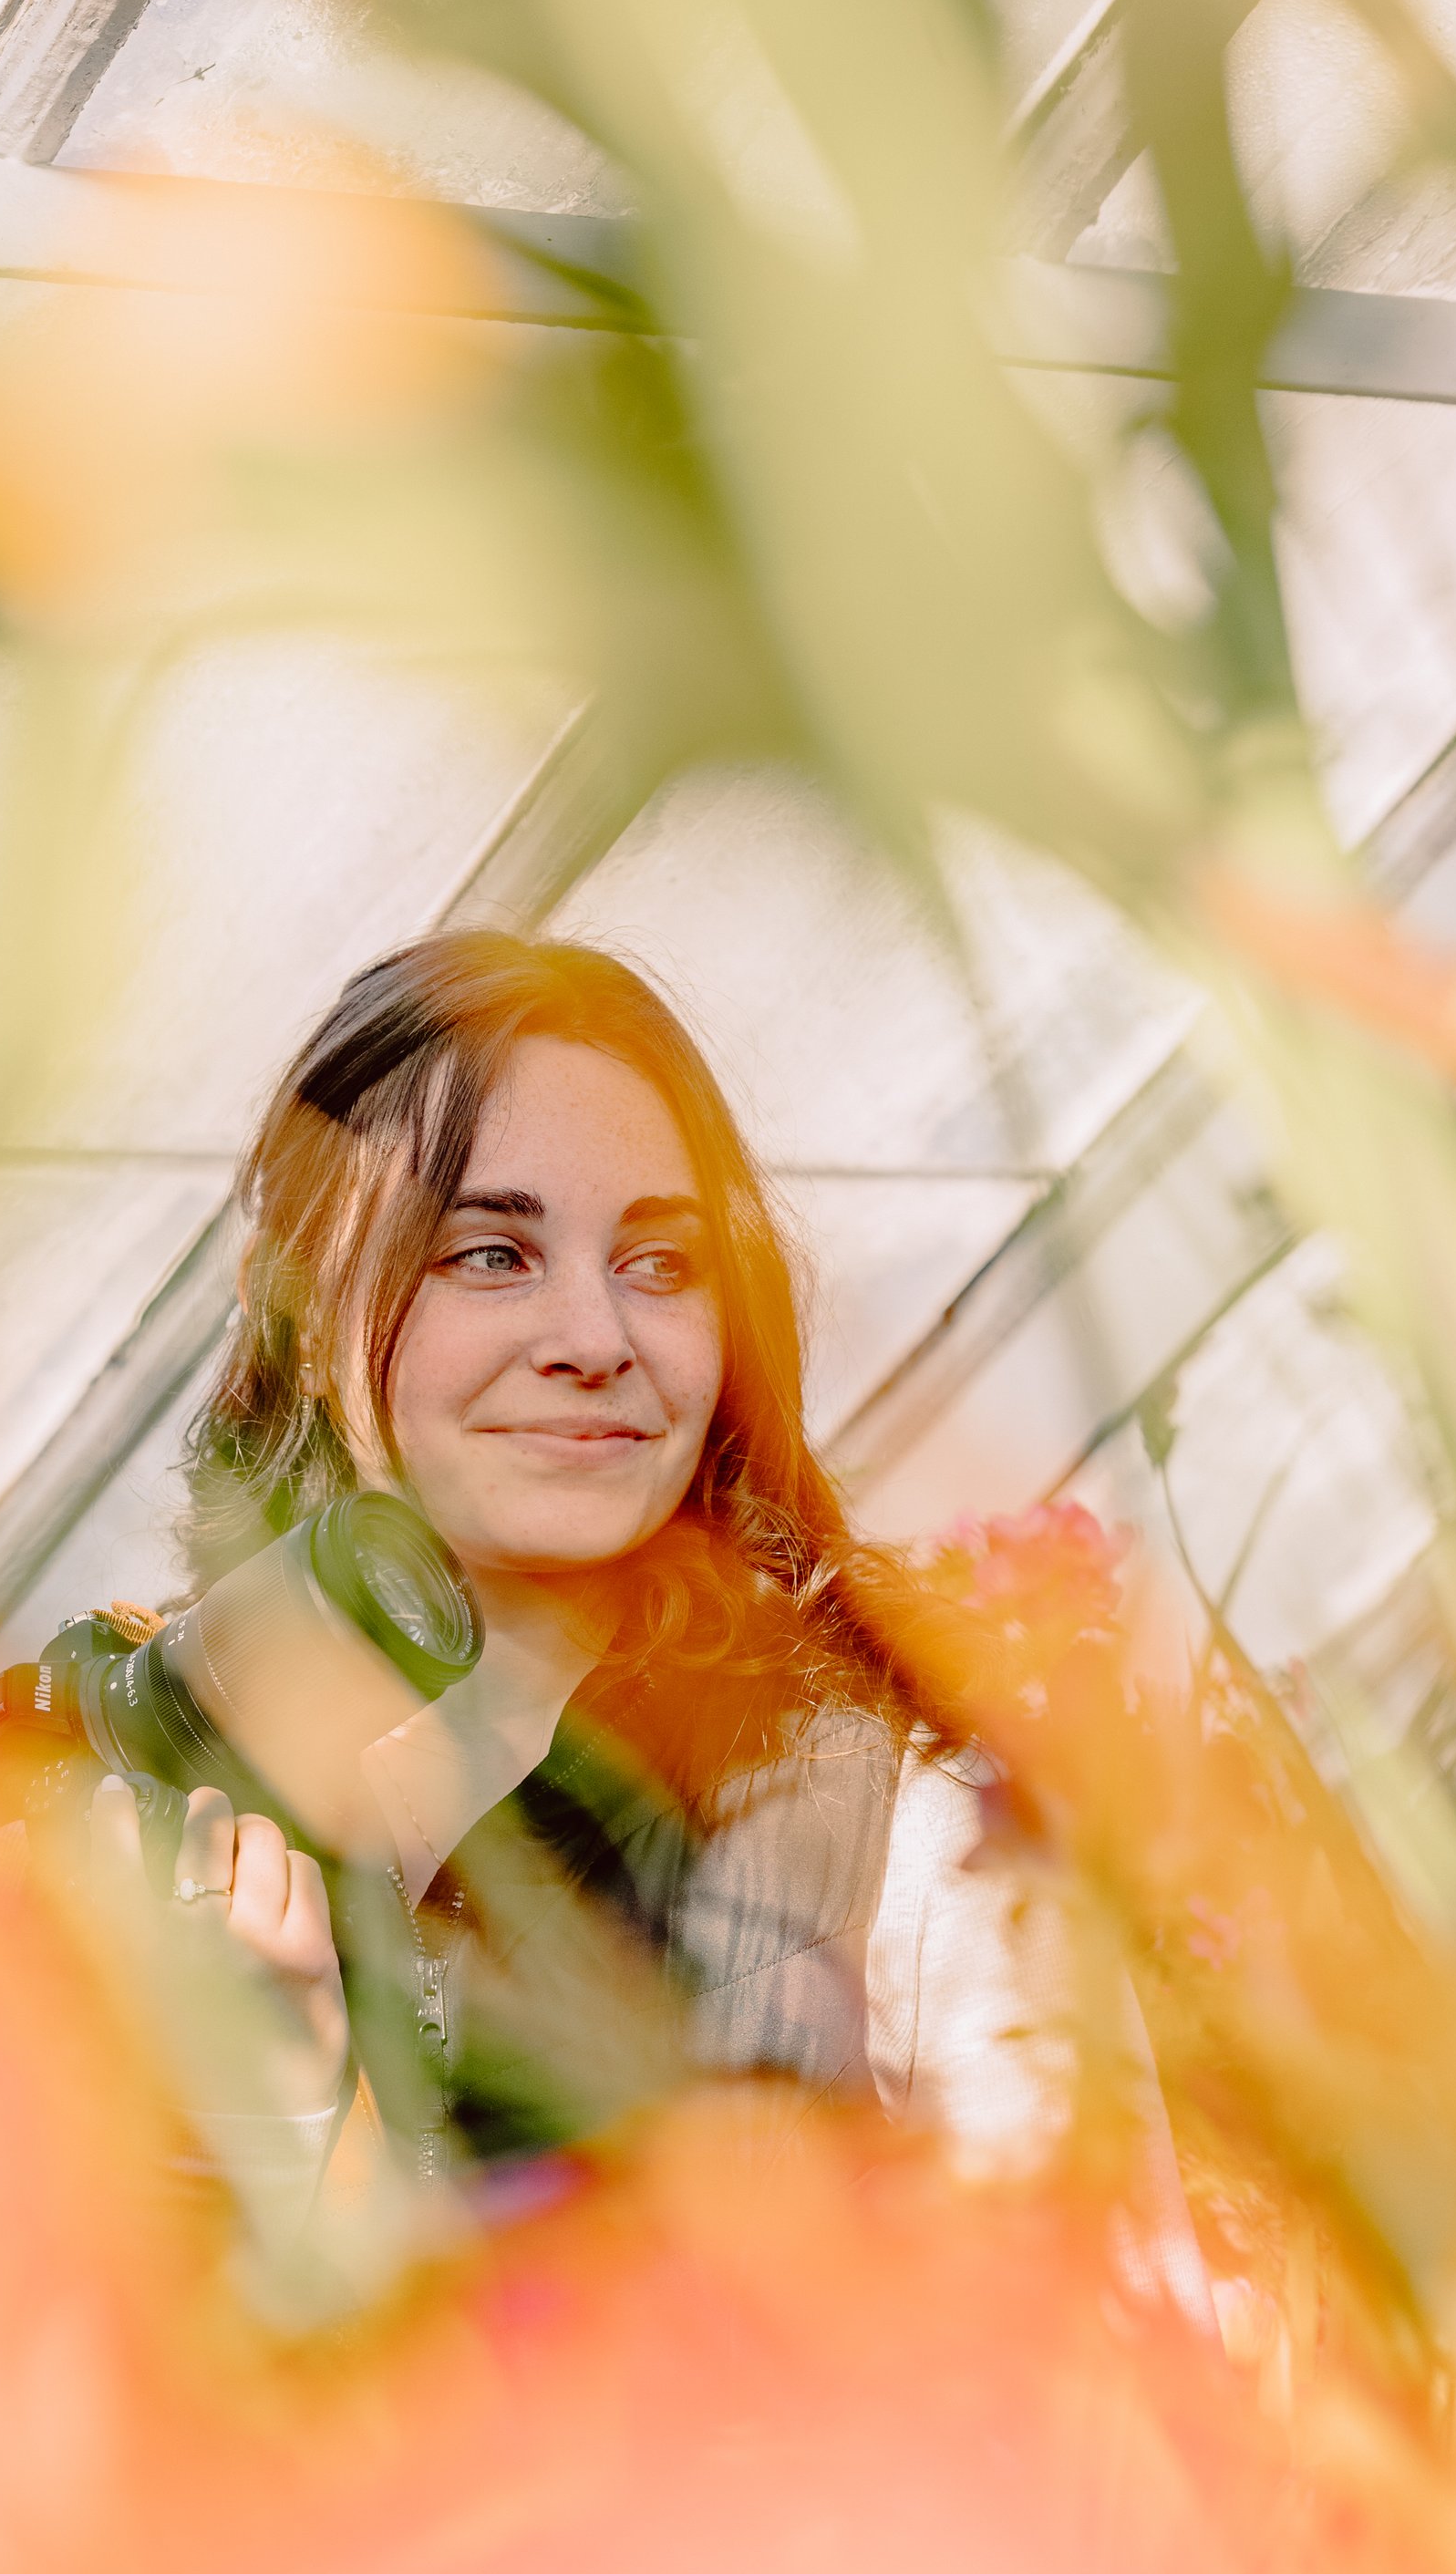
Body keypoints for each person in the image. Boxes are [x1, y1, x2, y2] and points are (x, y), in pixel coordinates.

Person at [73, 929, 1211, 2330]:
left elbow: (1111, 2422)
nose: (593, 1332)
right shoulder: (182, 1810)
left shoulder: (904, 1852)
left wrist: (315, 2154)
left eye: (659, 1261)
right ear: (297, 1310)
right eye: (492, 1253)